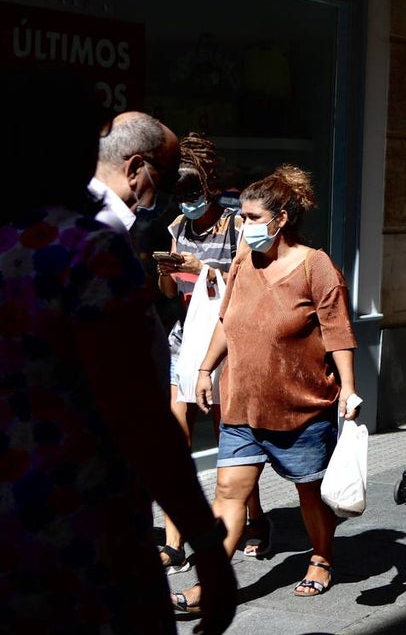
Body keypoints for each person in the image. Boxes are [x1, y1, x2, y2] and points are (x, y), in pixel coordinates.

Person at [0, 67, 236, 635]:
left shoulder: (11, 239)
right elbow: (137, 415)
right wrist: (204, 539)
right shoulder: (88, 252)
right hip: (81, 530)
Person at [173, 164, 360, 612]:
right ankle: (212, 584)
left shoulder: (317, 266)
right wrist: (204, 369)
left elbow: (338, 332)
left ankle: (320, 557)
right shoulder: (242, 260)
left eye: (253, 218)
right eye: (243, 217)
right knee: (228, 494)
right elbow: (226, 319)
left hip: (301, 406)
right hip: (242, 403)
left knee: (309, 493)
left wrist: (349, 391)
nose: (245, 225)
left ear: (281, 220)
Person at [153, 133, 267, 574]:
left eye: (192, 194)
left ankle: (254, 519)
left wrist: (206, 271)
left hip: (226, 337)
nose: (186, 204)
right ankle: (174, 538)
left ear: (208, 186)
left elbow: (248, 282)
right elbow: (168, 292)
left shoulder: (239, 226)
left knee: (229, 434)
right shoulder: (178, 228)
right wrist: (168, 271)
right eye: (179, 196)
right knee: (174, 436)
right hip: (185, 336)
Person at [88, 110, 181, 237]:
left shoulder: (60, 214)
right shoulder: (103, 238)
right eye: (168, 178)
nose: (169, 194)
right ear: (135, 169)